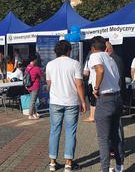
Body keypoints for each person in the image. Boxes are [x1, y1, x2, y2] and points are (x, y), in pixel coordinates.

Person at [46, 40, 87, 172]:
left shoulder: (50, 65)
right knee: (70, 132)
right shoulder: (75, 64)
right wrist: (83, 101)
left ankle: (52, 162)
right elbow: (79, 84)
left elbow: (49, 83)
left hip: (55, 101)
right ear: (69, 51)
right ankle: (68, 163)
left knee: (54, 131)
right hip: (71, 102)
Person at [89, 36, 124, 172]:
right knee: (115, 135)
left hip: (105, 99)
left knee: (103, 138)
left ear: (93, 48)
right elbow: (119, 80)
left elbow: (100, 70)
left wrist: (96, 88)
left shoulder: (95, 56)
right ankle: (119, 166)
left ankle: (105, 169)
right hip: (117, 98)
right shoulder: (111, 59)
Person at [25, 53, 43, 120]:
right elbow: (42, 75)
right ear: (35, 60)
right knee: (33, 101)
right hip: (35, 86)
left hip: (29, 86)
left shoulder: (28, 67)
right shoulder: (36, 68)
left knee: (33, 100)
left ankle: (35, 113)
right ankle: (30, 115)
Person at [83, 52, 96, 122]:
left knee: (93, 100)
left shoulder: (89, 59)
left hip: (93, 82)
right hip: (105, 83)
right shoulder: (107, 58)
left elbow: (85, 73)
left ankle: (92, 116)